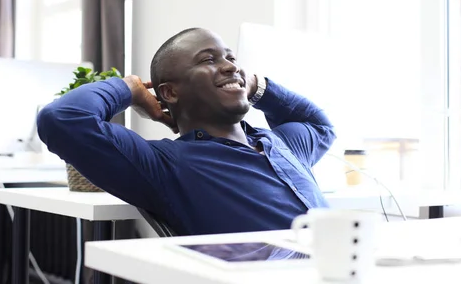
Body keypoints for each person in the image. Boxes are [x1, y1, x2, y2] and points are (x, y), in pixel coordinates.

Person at [37, 28, 336, 235]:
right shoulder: (165, 166)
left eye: (231, 58)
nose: (230, 66)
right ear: (170, 92)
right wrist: (130, 89)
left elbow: (320, 126)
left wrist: (256, 85)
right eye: (208, 60)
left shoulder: (283, 144)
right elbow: (62, 119)